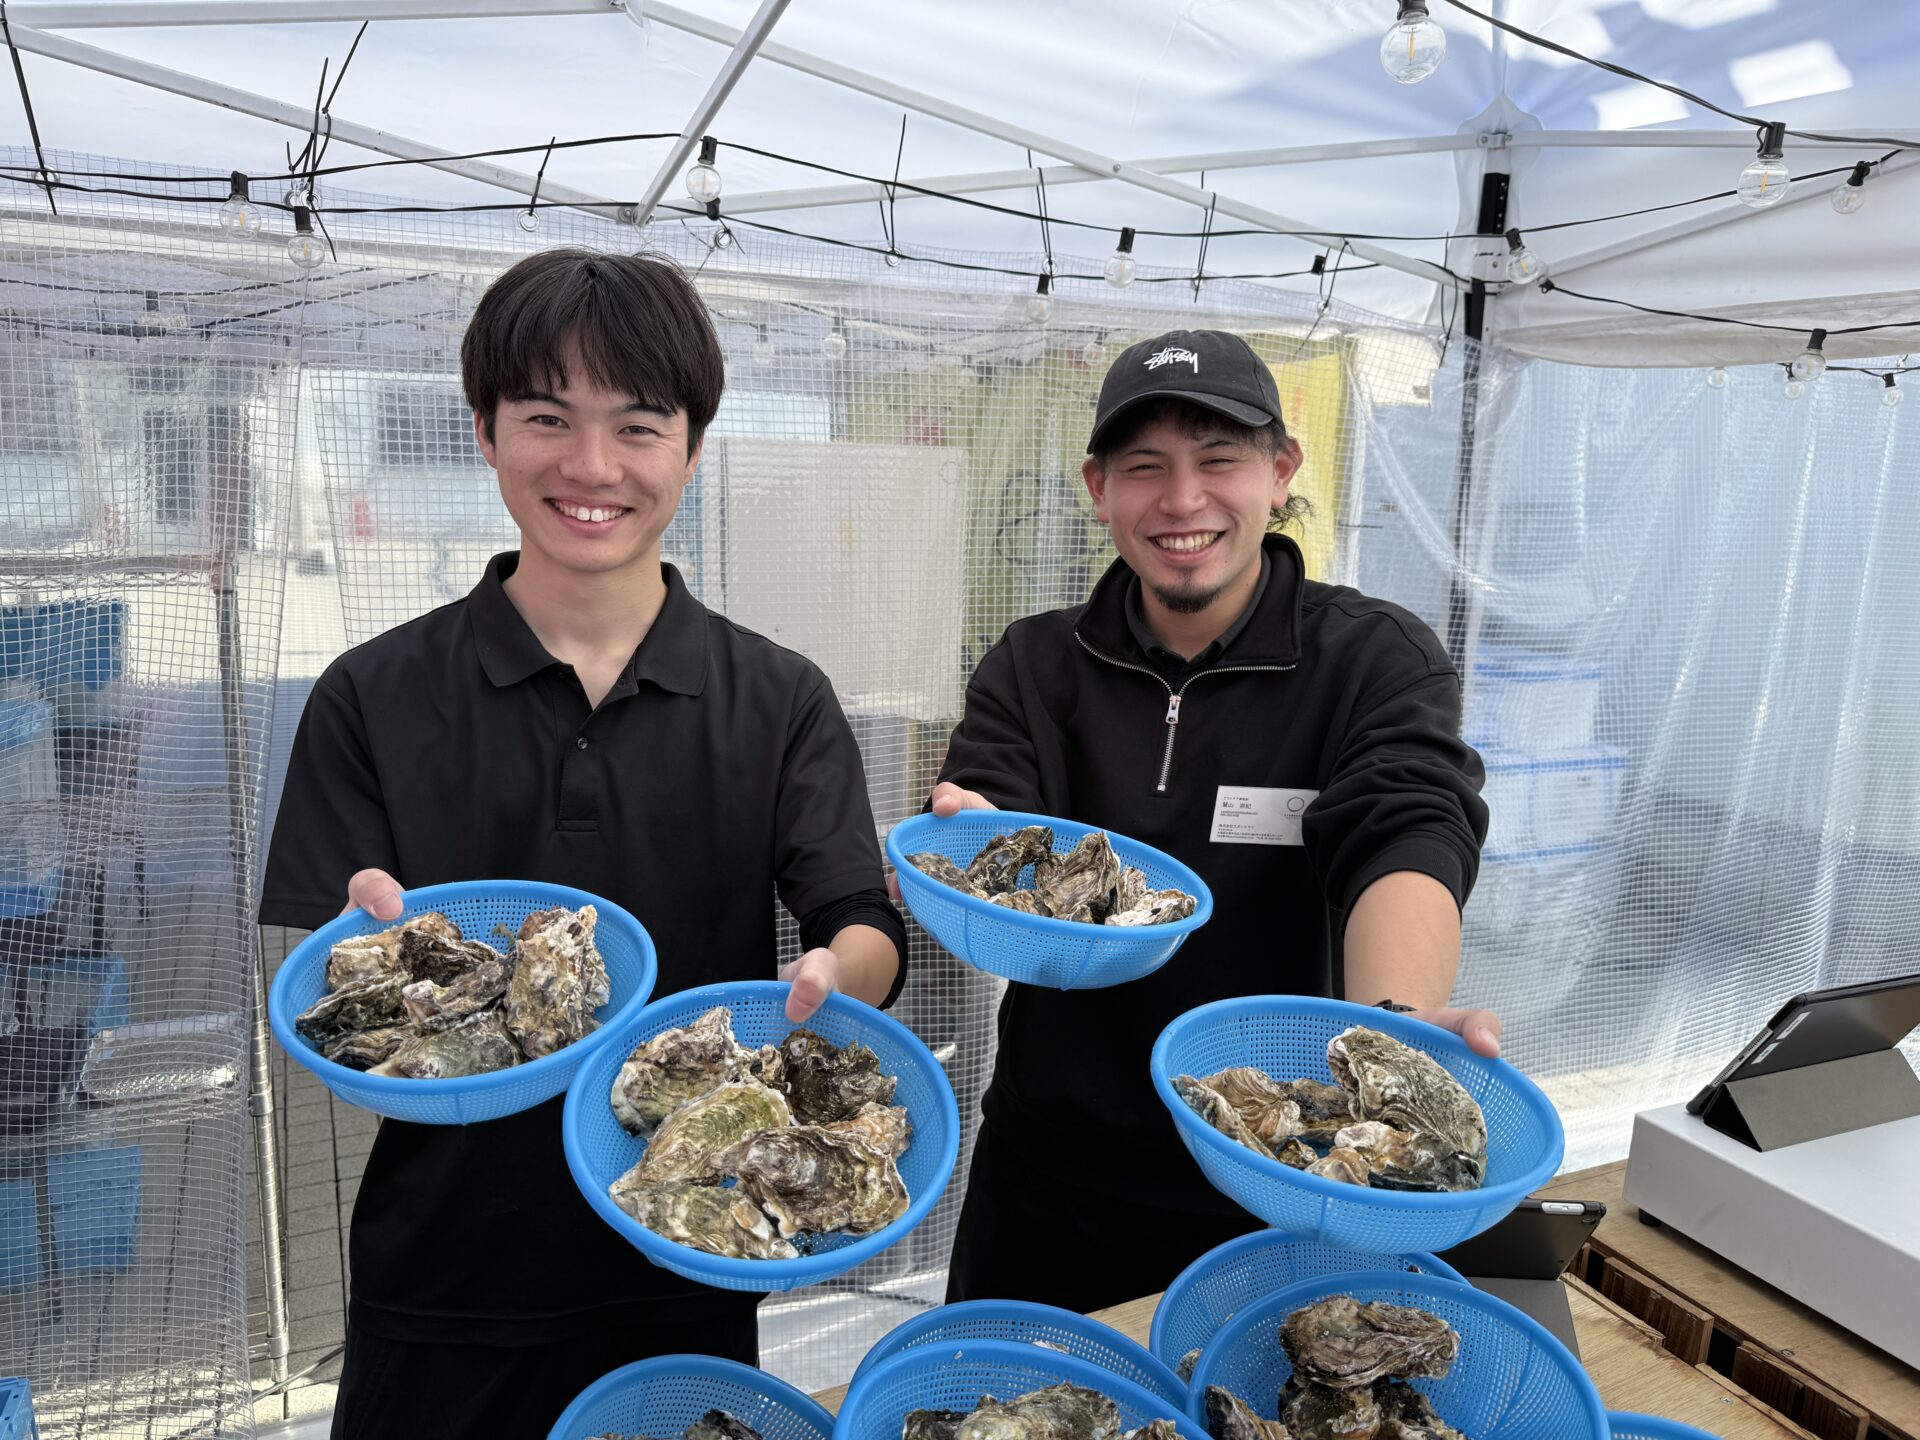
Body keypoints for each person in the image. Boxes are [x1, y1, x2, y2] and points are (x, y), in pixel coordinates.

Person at [259, 249, 907, 1438]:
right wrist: (368, 952)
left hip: (691, 1249)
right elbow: (336, 986)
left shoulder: (778, 697)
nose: (592, 467)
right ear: (486, 433)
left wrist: (834, 976)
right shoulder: (374, 692)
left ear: (694, 447)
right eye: (547, 418)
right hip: (445, 1275)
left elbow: (859, 917)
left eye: (638, 426)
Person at [928, 328, 1495, 1314]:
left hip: (1278, 1180)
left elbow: (1406, 826)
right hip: (1048, 1179)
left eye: (1219, 459)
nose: (1183, 501)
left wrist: (1392, 1038)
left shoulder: (1371, 660)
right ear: (1098, 489)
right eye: (1146, 468)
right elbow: (995, 824)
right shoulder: (1033, 664)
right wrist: (965, 849)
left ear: (1282, 471)